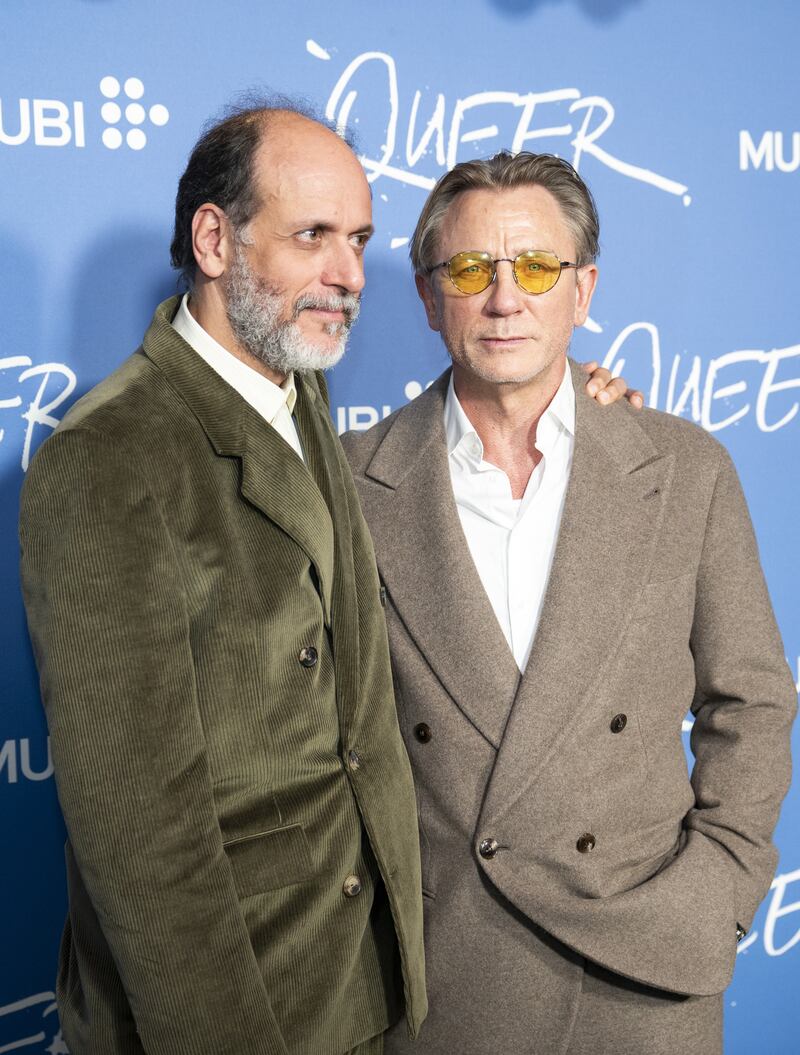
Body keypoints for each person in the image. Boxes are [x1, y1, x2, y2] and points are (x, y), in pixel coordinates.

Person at [19, 98, 629, 1052]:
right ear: (214, 239)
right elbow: (142, 843)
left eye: (359, 239)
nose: (349, 275)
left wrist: (573, 408)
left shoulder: (298, 387)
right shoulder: (109, 457)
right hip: (237, 1009)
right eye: (312, 237)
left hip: (364, 989)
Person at [342, 151, 797, 1055]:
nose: (505, 298)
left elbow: (752, 699)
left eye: (537, 268)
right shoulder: (350, 486)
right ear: (430, 299)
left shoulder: (684, 468)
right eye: (470, 270)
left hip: (646, 979)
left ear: (582, 291)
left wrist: (716, 895)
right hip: (443, 986)